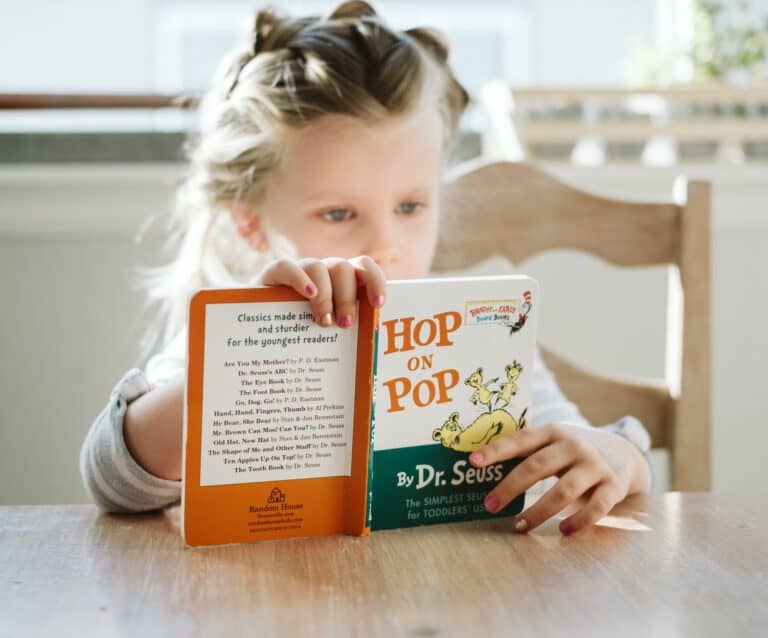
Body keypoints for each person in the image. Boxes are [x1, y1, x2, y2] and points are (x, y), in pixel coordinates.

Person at [80, 0, 653, 536]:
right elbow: (112, 479)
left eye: (410, 206)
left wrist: (618, 458)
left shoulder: (483, 332)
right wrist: (242, 360)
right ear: (250, 223)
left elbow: (599, 452)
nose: (384, 245)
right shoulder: (234, 331)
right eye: (338, 212)